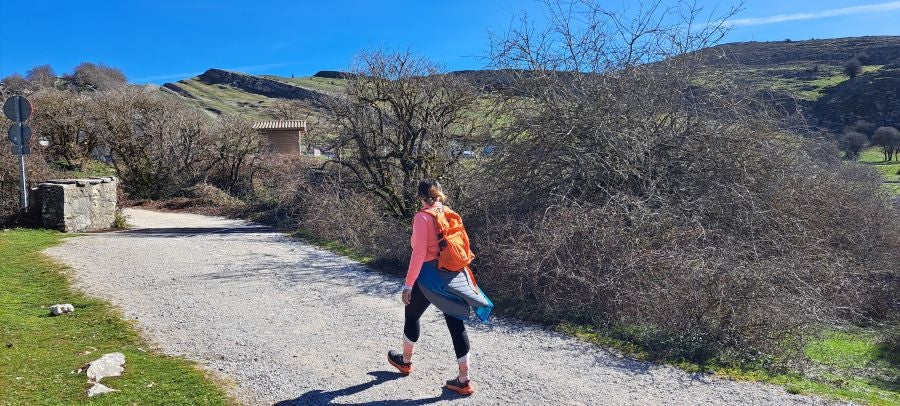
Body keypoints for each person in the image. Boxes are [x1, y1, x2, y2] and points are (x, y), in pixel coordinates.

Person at [387, 179, 493, 396]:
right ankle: (463, 379)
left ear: (420, 198)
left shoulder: (422, 217)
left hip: (428, 277)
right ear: (439, 194)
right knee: (456, 323)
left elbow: (418, 254)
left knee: (412, 314)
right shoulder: (447, 212)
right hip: (452, 274)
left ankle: (405, 362)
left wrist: (408, 285)